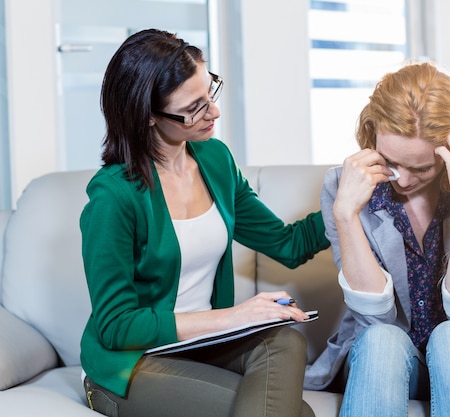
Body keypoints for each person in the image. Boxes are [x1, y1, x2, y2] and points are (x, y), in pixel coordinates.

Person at [79, 29, 329, 417]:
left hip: (200, 349)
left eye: (209, 92)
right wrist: (234, 316)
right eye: (194, 107)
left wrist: (345, 203)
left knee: (285, 342)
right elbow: (115, 325)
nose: (213, 112)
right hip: (129, 366)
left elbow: (288, 245)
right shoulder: (113, 196)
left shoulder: (215, 160)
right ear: (146, 116)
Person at [304, 61, 450, 416]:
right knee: (382, 340)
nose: (402, 181)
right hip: (393, 357)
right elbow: (374, 318)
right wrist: (346, 215)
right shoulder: (344, 186)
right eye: (392, 163)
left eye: (422, 168)